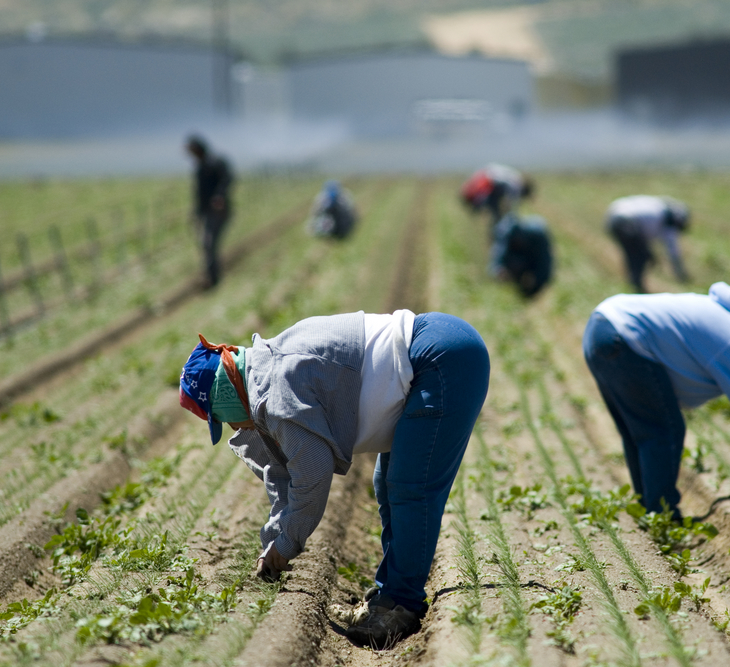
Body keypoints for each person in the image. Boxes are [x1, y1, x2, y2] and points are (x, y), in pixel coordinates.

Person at [178, 310, 489, 649]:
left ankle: (403, 603)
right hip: (440, 342)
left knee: (410, 487)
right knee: (388, 484)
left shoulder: (278, 393)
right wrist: (273, 541)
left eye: (222, 420)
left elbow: (311, 477)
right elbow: (282, 471)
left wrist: (286, 546)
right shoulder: (263, 371)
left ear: (225, 399)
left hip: (443, 359)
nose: (233, 429)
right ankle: (389, 596)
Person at [582, 282, 730, 519]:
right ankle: (662, 514)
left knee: (642, 430)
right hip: (623, 337)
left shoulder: (723, 316)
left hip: (601, 327)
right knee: (664, 429)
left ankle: (648, 507)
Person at [605, 195, 690, 293]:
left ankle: (634, 285)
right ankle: (636, 287)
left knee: (636, 255)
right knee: (640, 256)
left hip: (614, 216)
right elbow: (673, 252)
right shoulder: (667, 220)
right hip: (626, 222)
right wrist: (681, 275)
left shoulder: (658, 206)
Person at [186, 135, 234, 287]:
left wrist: (220, 196)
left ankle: (213, 278)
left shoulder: (215, 163)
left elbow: (228, 179)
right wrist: (196, 212)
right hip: (206, 211)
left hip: (218, 211)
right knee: (207, 244)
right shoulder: (200, 167)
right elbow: (200, 193)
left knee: (209, 243)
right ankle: (211, 275)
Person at [489, 212, 554, 298]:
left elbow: (545, 266)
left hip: (532, 267)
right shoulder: (507, 235)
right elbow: (498, 257)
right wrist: (499, 271)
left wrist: (535, 279)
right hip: (515, 266)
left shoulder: (538, 238)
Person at [461, 163, 535, 229]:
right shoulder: (516, 186)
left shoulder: (516, 178)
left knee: (496, 214)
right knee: (496, 214)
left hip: (490, 179)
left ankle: (495, 230)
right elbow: (511, 205)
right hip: (491, 183)